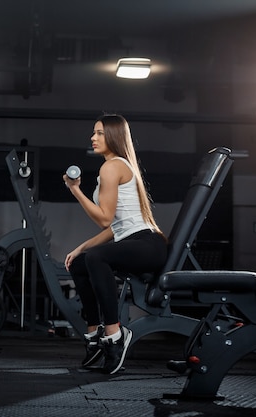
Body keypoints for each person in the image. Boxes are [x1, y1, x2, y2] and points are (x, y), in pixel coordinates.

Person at [63, 113, 167, 374]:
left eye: (99, 133)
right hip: (135, 241)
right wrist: (81, 247)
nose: (93, 137)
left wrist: (75, 190)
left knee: (97, 258)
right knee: (80, 262)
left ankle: (114, 334)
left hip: (147, 244)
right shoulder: (114, 166)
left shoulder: (112, 166)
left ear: (113, 136)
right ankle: (94, 332)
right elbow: (114, 227)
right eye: (93, 132)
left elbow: (103, 219)